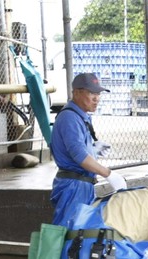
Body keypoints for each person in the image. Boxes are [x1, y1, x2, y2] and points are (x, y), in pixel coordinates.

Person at [50, 72, 128, 224]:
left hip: (81, 185)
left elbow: (77, 149)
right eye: (92, 93)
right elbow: (79, 156)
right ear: (77, 93)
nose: (96, 98)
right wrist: (109, 174)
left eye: (98, 94)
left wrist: (92, 148)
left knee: (78, 234)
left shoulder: (80, 116)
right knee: (69, 235)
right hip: (73, 187)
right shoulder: (70, 118)